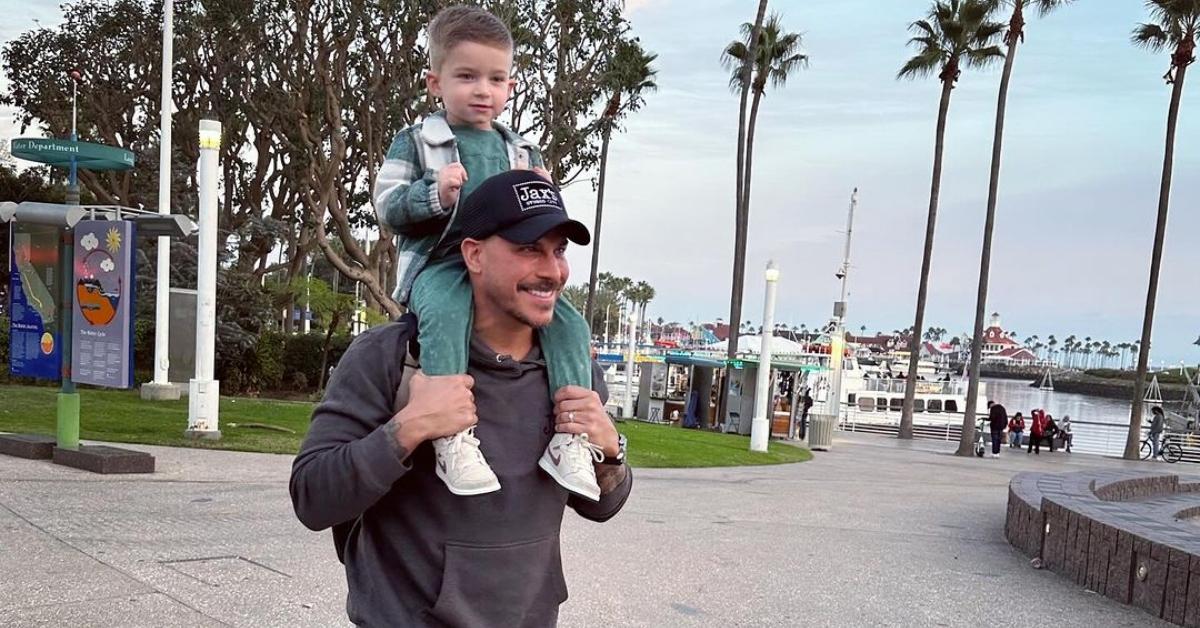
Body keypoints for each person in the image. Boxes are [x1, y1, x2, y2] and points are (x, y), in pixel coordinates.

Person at [290, 170, 633, 626]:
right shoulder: (390, 357)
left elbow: (600, 507)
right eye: (528, 248)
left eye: (559, 251)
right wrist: (408, 428)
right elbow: (312, 498)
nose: (552, 271)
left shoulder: (574, 372)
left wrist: (611, 451)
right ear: (473, 254)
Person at [372, 5, 597, 499]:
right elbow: (386, 205)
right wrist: (434, 194)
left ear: (511, 87)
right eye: (467, 76)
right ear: (436, 82)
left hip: (502, 270)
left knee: (571, 323)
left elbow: (538, 214)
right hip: (442, 264)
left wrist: (544, 191)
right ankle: (451, 433)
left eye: (496, 79)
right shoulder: (417, 142)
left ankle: (572, 436)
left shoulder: (521, 151)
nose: (482, 90)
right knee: (450, 314)